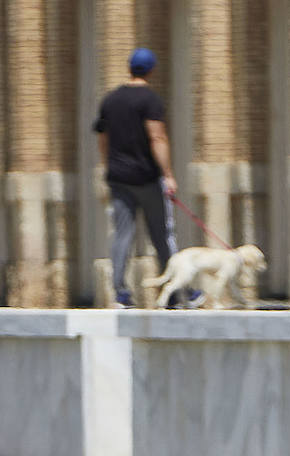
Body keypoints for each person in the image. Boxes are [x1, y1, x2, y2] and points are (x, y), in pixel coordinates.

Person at [93, 46, 184, 308]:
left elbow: (103, 138)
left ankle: (120, 292)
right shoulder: (150, 100)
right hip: (146, 177)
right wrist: (167, 174)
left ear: (129, 68)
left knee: (122, 234)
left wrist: (107, 166)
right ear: (152, 70)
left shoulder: (110, 101)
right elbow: (156, 136)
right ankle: (174, 293)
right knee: (162, 234)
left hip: (118, 178)